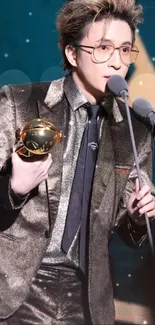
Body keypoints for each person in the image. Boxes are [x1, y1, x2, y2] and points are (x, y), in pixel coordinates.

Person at [0, 0, 155, 324]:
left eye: (126, 50)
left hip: (87, 295)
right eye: (103, 47)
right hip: (16, 287)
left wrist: (139, 218)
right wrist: (14, 187)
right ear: (72, 53)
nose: (117, 62)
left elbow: (127, 234)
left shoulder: (134, 131)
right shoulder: (19, 102)